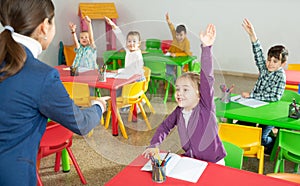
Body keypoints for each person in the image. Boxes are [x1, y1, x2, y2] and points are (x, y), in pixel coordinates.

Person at [0, 0, 108, 185]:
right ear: (44, 27)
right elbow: (81, 123)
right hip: (11, 175)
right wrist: (98, 106)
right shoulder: (43, 76)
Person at [142, 24, 226, 164]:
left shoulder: (206, 106)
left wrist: (206, 48)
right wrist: (154, 144)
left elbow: (207, 78)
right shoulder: (179, 111)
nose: (179, 93)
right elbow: (164, 127)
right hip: (192, 161)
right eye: (178, 89)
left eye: (185, 89)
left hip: (213, 163)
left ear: (199, 94)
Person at [241, 18, 288, 153]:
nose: (270, 63)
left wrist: (252, 95)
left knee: (261, 138)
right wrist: (252, 35)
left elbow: (274, 97)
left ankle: (272, 143)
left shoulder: (280, 76)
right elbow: (258, 53)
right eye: (269, 60)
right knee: (244, 128)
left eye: (275, 61)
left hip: (270, 114)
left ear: (282, 64)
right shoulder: (264, 68)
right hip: (254, 107)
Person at [104, 16, 145, 99]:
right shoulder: (128, 50)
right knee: (117, 84)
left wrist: (119, 71)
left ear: (139, 44)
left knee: (120, 84)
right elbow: (120, 36)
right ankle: (116, 100)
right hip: (129, 76)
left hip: (137, 79)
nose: (131, 43)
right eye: (129, 41)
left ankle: (123, 103)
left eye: (134, 41)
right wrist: (112, 24)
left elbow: (134, 71)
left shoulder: (137, 55)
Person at [165, 13, 192, 77]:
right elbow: (172, 29)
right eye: (177, 35)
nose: (179, 37)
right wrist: (169, 22)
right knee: (168, 71)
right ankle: (171, 81)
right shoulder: (175, 36)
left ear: (185, 34)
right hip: (172, 57)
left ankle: (176, 81)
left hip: (180, 59)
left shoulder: (186, 42)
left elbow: (186, 54)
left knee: (178, 72)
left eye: (181, 35)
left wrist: (176, 54)